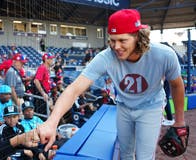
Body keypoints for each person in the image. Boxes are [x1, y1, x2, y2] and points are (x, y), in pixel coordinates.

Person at [37, 9, 186, 160]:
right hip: (124, 107)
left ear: (137, 36)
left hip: (151, 107)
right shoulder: (106, 56)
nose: (116, 46)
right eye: (112, 40)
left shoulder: (164, 54)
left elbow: (177, 85)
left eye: (122, 40)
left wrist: (179, 120)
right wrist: (52, 122)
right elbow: (74, 89)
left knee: (144, 157)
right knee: (125, 153)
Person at [33, 53, 55, 119]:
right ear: (46, 60)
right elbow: (36, 81)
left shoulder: (46, 69)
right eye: (51, 59)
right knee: (43, 117)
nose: (52, 60)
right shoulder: (42, 68)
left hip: (47, 94)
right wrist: (43, 93)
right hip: (42, 97)